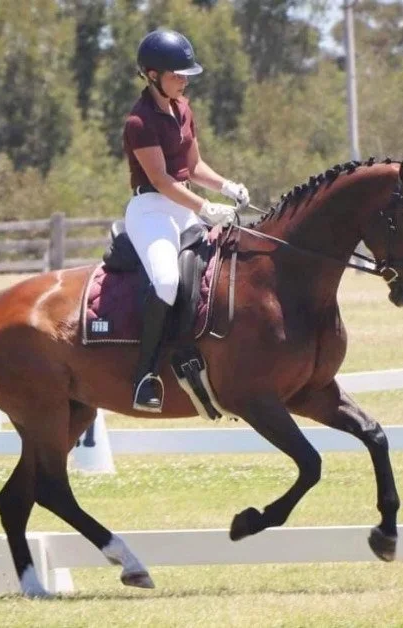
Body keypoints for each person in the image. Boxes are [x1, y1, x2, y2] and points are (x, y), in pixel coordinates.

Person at [123, 29, 250, 413]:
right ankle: (145, 376)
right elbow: (162, 180)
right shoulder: (139, 122)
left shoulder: (183, 110)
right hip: (152, 211)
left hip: (184, 206)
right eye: (177, 74)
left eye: (185, 74)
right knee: (165, 280)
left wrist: (226, 186)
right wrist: (206, 208)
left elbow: (192, 167)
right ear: (152, 75)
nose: (184, 79)